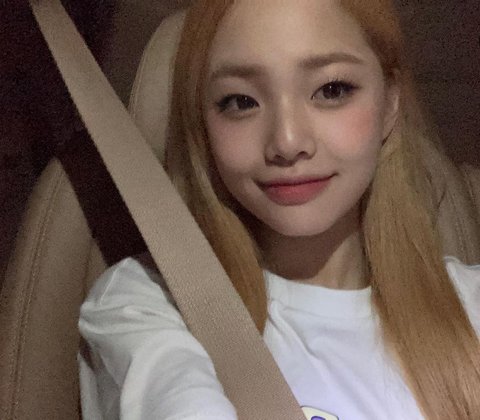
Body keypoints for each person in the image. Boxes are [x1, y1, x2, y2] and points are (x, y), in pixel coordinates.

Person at [78, 0, 480, 419]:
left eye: (332, 90)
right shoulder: (147, 305)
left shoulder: (471, 305)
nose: (287, 142)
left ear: (390, 102)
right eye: (240, 101)